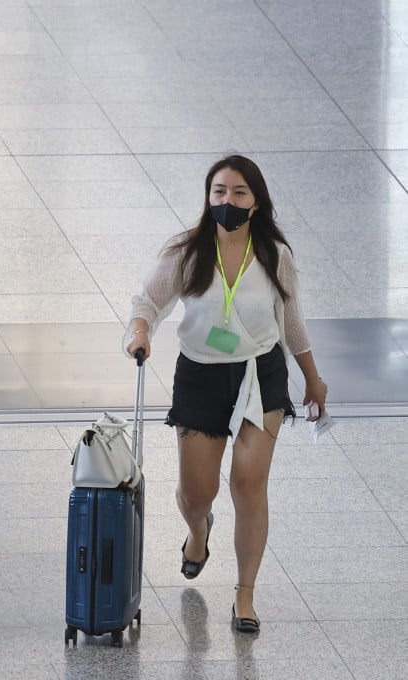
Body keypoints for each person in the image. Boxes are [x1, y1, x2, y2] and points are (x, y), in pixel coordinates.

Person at [125, 154, 328, 633]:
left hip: (261, 372)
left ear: (256, 202)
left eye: (238, 192)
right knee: (198, 493)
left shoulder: (274, 254)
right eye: (219, 192)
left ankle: (244, 595)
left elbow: (292, 320)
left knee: (248, 483)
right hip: (201, 375)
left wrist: (312, 377)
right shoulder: (187, 252)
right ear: (208, 197)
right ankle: (198, 530)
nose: (227, 200)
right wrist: (139, 332)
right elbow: (147, 302)